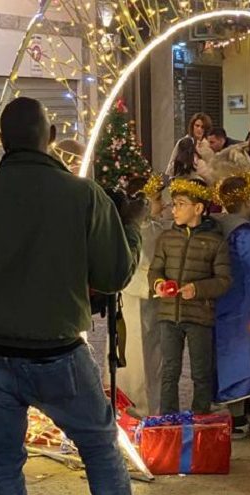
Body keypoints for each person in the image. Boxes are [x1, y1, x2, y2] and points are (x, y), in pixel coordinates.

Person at [0, 97, 143, 495]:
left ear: (1, 141)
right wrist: (131, 228)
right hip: (58, 354)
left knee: (3, 460)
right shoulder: (84, 195)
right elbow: (114, 275)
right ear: (51, 137)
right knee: (100, 447)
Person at [149, 178, 231, 415]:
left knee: (201, 371)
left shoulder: (215, 242)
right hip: (168, 314)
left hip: (199, 316)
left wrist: (197, 289)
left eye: (181, 204)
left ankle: (201, 418)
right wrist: (159, 284)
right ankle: (168, 420)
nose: (174, 210)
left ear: (198, 208)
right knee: (170, 370)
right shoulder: (166, 238)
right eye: (173, 204)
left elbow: (224, 280)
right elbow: (156, 269)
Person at [212, 174, 250, 438]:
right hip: (248, 304)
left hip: (221, 305)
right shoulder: (249, 236)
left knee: (227, 358)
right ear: (247, 200)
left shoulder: (214, 228)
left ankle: (235, 417)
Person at [110, 175, 166, 417]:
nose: (163, 205)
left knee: (148, 354)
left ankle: (143, 405)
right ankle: (137, 408)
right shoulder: (139, 231)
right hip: (137, 297)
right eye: (157, 199)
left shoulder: (152, 228)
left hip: (147, 298)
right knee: (135, 354)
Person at [165, 113, 214, 177]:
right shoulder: (183, 142)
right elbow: (172, 163)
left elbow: (211, 168)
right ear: (192, 126)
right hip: (183, 180)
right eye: (197, 126)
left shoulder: (208, 145)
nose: (199, 129)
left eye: (202, 127)